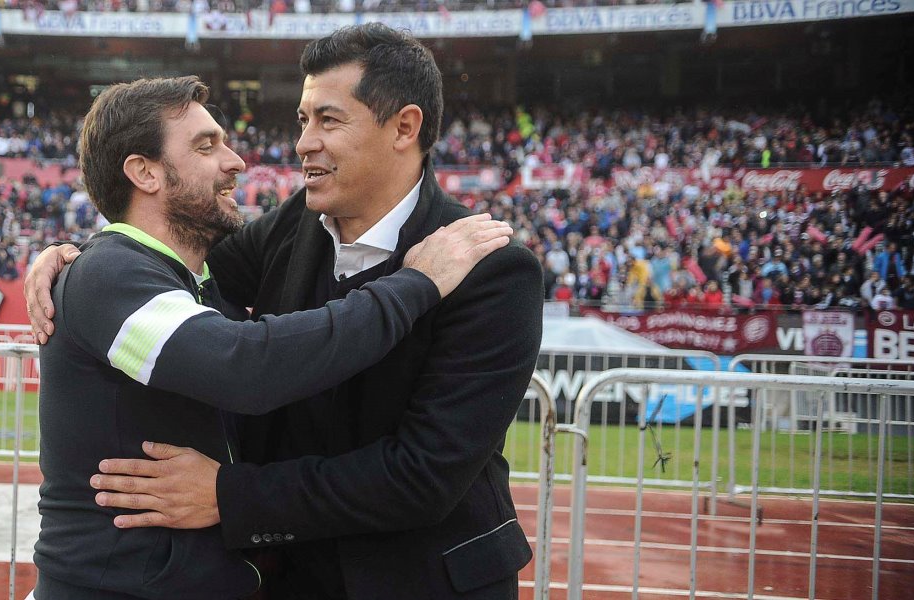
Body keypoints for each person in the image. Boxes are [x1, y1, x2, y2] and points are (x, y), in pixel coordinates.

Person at [27, 24, 542, 599]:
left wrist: (229, 496)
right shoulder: (298, 221)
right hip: (291, 577)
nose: (303, 143)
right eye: (303, 120)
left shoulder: (491, 268)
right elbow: (171, 259)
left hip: (423, 582)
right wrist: (79, 257)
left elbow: (423, 476)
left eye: (329, 120)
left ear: (404, 127)